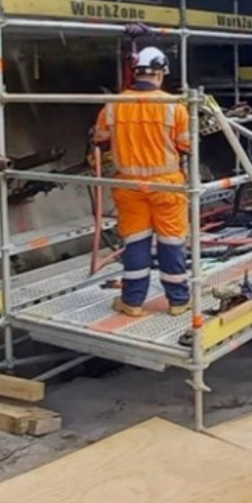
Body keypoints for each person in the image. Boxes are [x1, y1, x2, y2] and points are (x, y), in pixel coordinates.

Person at [93, 46, 191, 317]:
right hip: (167, 187)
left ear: (135, 73)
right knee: (172, 243)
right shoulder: (174, 107)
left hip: (129, 187)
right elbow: (186, 146)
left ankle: (133, 302)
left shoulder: (113, 105)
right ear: (160, 74)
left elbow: (99, 140)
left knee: (136, 243)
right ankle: (178, 301)